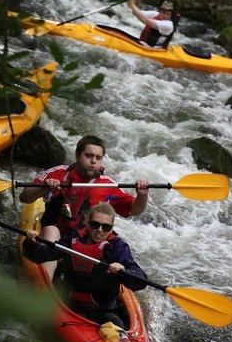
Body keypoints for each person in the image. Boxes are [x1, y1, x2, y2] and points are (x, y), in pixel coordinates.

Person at [19, 134, 149, 278]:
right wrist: (45, 188)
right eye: (88, 156)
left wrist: (142, 195)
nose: (93, 161)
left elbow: (134, 210)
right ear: (77, 155)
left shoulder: (108, 184)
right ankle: (45, 286)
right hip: (58, 238)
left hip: (87, 241)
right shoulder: (58, 173)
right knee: (51, 230)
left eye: (98, 158)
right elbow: (25, 197)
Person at [23, 202, 147, 331]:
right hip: (67, 303)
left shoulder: (117, 248)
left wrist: (123, 271)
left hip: (101, 311)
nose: (99, 230)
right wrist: (30, 243)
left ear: (111, 228)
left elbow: (141, 281)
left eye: (105, 227)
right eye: (95, 224)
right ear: (87, 223)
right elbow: (40, 256)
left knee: (117, 323)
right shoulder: (73, 238)